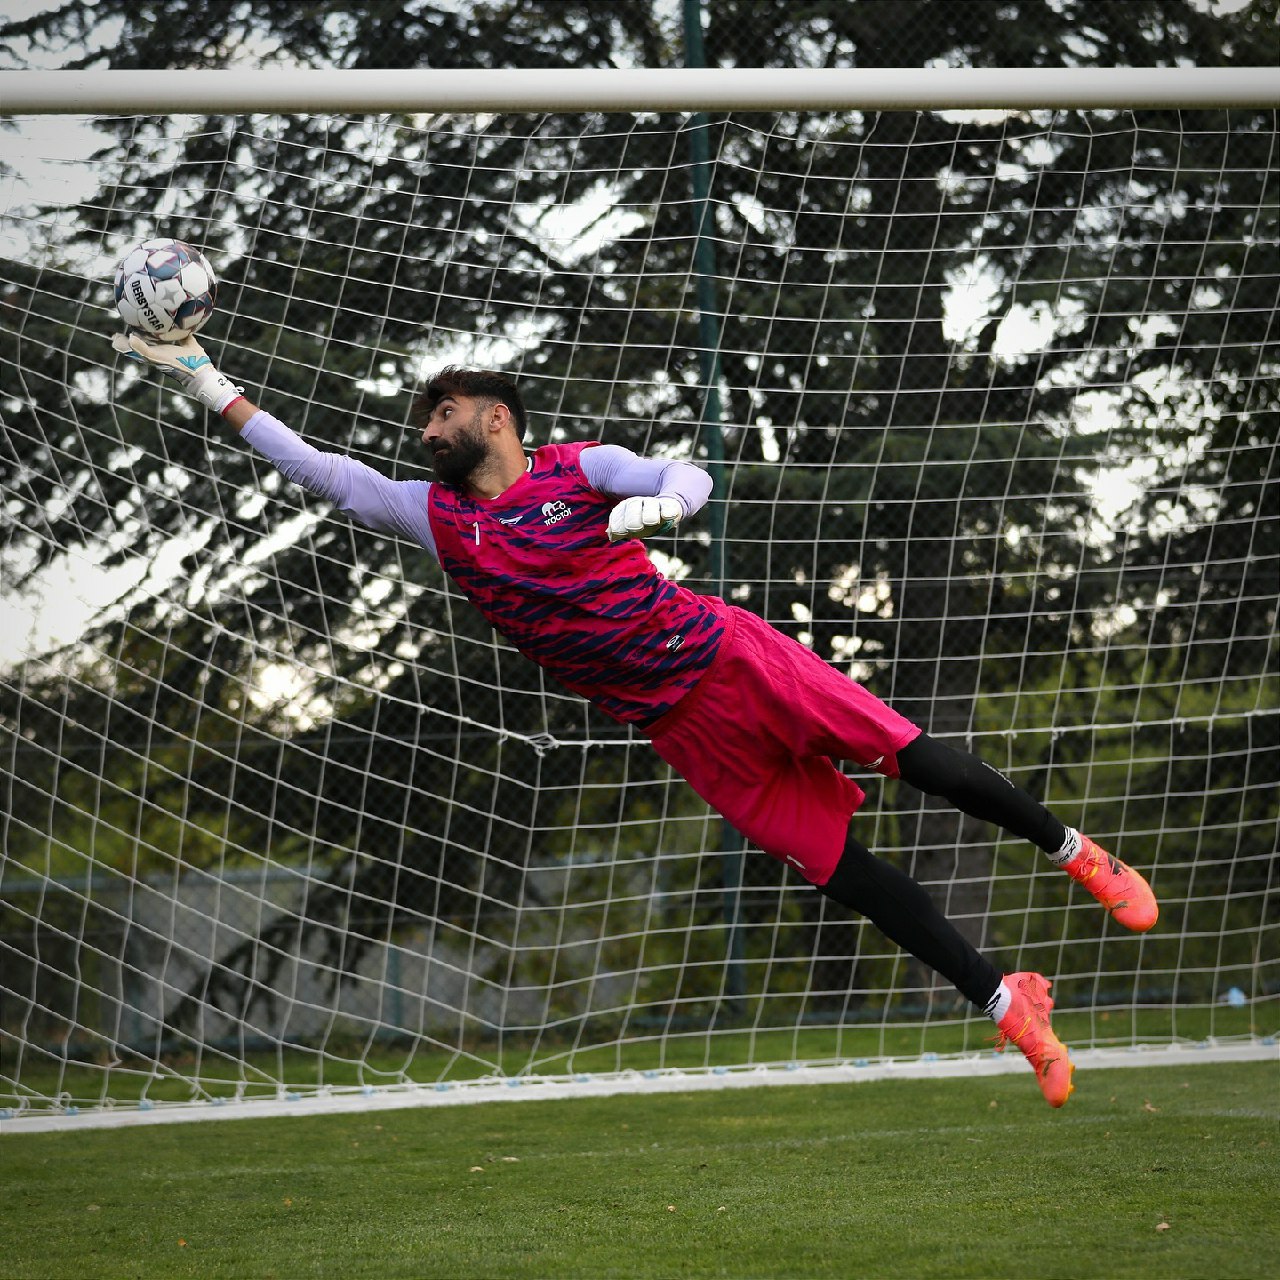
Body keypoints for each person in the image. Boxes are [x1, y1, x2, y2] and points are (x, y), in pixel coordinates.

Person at [112, 330, 1159, 1108]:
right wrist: (205, 378)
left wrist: (665, 501)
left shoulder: (577, 469)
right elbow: (319, 468)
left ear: (495, 416)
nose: (426, 427)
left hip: (731, 656)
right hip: (679, 724)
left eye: (444, 410)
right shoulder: (440, 518)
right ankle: (1007, 1010)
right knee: (843, 869)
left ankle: (1075, 851)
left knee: (915, 759)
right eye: (422, 416)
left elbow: (683, 472)